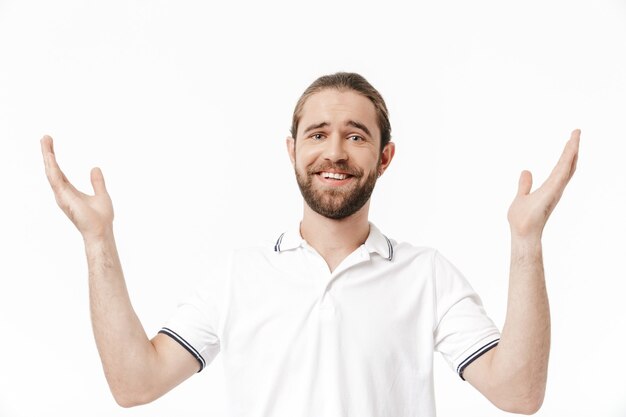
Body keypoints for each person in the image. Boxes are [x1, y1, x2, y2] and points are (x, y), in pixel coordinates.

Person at [41, 72, 580, 416]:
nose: (335, 151)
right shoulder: (238, 274)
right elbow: (136, 384)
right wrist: (97, 241)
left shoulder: (426, 275)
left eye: (356, 134)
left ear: (385, 157)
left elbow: (518, 394)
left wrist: (526, 241)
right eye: (318, 134)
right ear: (292, 149)